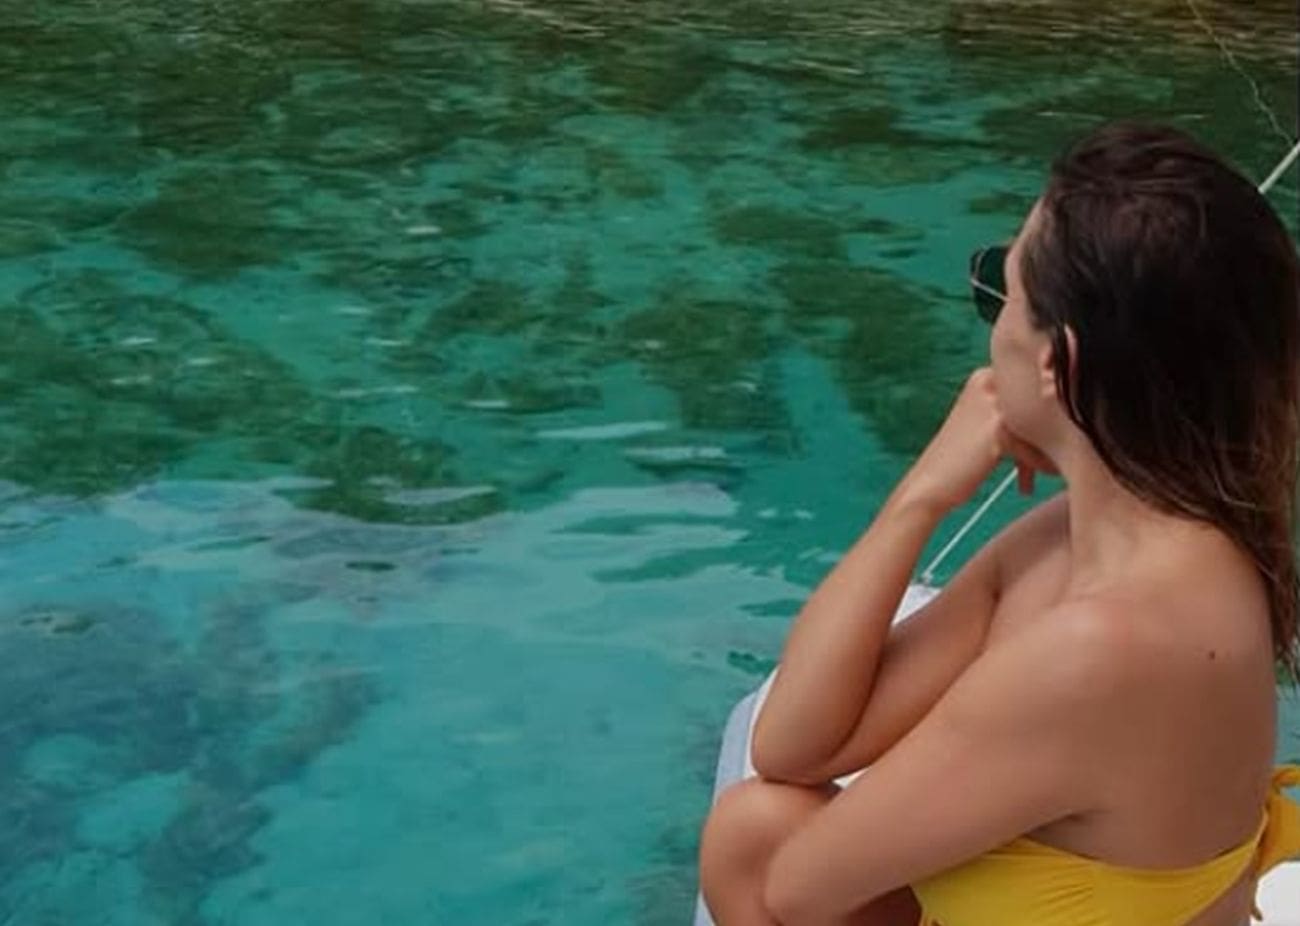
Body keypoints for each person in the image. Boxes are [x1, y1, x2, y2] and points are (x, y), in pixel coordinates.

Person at [697, 122, 1300, 926]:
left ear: (1059, 364)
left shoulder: (1096, 650)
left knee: (758, 852)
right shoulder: (1117, 541)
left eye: (1001, 294)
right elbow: (793, 745)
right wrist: (920, 499)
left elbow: (798, 888)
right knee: (750, 831)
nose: (992, 334)